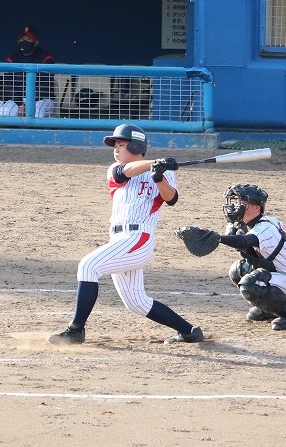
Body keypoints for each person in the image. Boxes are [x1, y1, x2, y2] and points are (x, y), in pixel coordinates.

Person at [48, 124, 204, 345]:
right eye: (116, 145)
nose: (116, 149)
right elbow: (125, 172)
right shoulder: (115, 169)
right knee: (136, 302)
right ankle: (189, 331)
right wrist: (154, 163)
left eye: (121, 145)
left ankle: (76, 330)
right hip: (119, 239)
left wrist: (159, 176)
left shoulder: (164, 172)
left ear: (136, 146)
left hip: (139, 238)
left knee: (88, 266)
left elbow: (171, 199)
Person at [216, 184, 286, 331]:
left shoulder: (265, 229)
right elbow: (247, 250)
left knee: (249, 284)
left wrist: (217, 238)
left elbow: (244, 242)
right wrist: (232, 228)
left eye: (242, 202)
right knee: (239, 270)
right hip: (284, 274)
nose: (236, 206)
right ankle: (269, 308)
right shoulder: (258, 222)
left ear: (256, 208)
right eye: (236, 201)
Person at [0, 26, 55, 117]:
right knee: (4, 112)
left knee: (35, 113)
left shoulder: (46, 58)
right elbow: (8, 84)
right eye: (22, 39)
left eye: (29, 39)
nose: (25, 41)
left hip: (42, 99)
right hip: (18, 99)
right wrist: (20, 103)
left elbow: (44, 86)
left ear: (36, 42)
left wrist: (29, 103)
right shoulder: (12, 59)